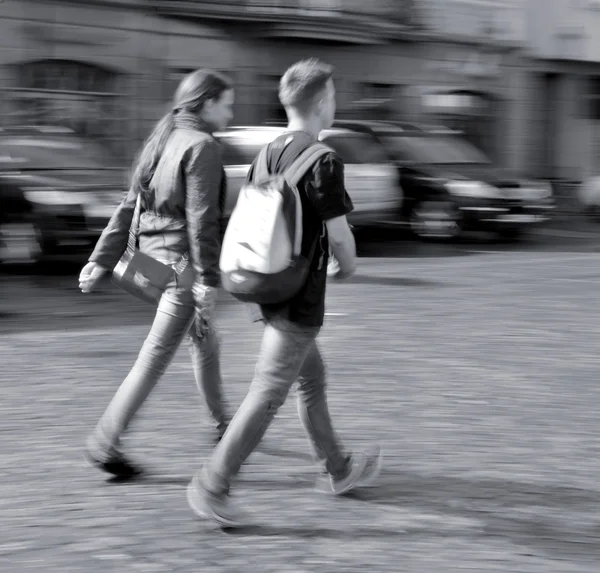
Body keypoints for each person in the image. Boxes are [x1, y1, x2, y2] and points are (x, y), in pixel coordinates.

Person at [187, 58, 382, 527]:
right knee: (269, 390)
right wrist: (347, 268)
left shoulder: (268, 152)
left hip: (266, 287)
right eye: (333, 95)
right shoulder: (323, 160)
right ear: (321, 103)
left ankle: (337, 469)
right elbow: (339, 237)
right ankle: (213, 484)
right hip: (300, 297)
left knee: (310, 378)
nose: (335, 102)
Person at [79, 69, 234, 478]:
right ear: (206, 103)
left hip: (154, 261)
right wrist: (207, 280)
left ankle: (224, 425)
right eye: (227, 104)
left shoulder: (161, 138)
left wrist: (100, 257)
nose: (231, 113)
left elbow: (129, 204)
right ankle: (105, 441)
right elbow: (202, 221)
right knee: (155, 355)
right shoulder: (202, 146)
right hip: (184, 269)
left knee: (204, 339)